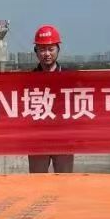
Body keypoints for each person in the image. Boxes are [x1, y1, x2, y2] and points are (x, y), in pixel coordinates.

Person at [27, 24, 74, 174]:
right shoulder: (28, 79)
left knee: (64, 181)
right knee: (38, 181)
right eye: (42, 49)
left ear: (58, 50)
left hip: (64, 138)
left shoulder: (70, 77)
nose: (46, 53)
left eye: (50, 49)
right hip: (37, 140)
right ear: (36, 52)